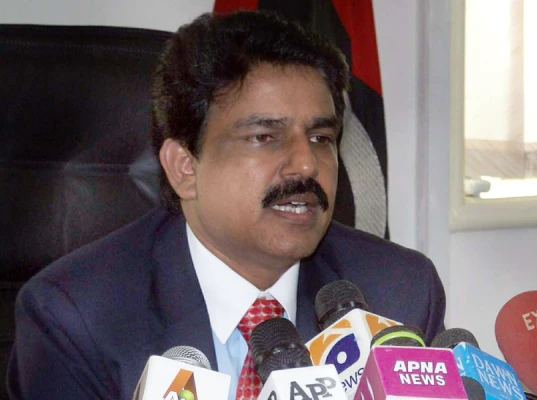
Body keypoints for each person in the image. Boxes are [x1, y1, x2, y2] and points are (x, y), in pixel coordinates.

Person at [7, 9, 445, 400]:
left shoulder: (397, 293)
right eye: (264, 137)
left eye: (320, 137)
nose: (307, 164)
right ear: (185, 167)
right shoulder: (76, 317)